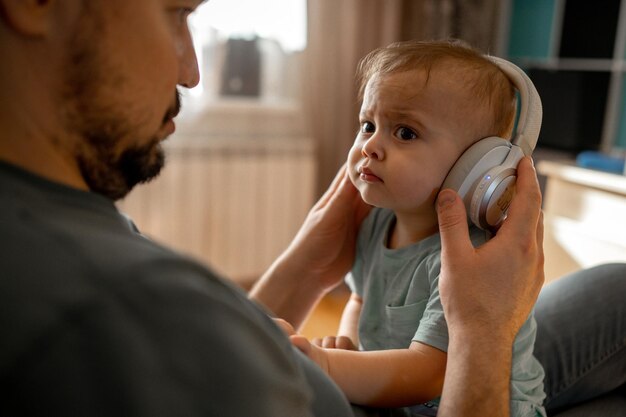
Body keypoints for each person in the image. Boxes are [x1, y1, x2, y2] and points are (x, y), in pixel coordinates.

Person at [0, 1, 623, 416]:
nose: (193, 70)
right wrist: (484, 334)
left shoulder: (448, 251)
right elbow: (424, 356)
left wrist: (327, 314)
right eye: (174, 12)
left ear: (475, 167)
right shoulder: (102, 306)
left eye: (403, 133)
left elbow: (362, 299)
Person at [287, 40, 546, 417]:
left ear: (476, 166)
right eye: (368, 125)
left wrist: (328, 366)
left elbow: (429, 373)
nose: (371, 145)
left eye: (405, 133)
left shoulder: (470, 260)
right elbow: (361, 298)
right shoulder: (376, 221)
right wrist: (351, 346)